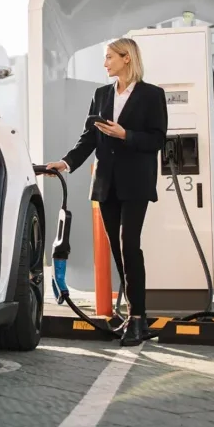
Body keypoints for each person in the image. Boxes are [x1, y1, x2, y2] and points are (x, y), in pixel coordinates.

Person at [44, 37, 168, 347]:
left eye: (110, 57)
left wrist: (125, 134)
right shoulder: (100, 95)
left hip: (136, 183)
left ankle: (138, 317)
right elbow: (88, 138)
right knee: (117, 248)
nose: (105, 63)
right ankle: (134, 316)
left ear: (127, 58)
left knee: (130, 246)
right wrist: (66, 162)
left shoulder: (152, 95)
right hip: (106, 183)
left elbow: (157, 140)